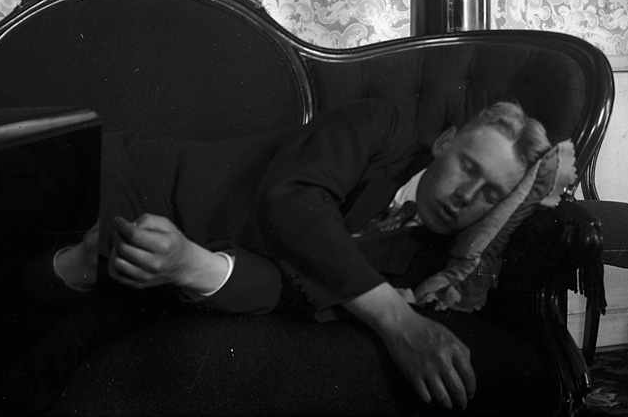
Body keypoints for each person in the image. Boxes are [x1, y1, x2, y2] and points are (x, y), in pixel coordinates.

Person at [29, 98, 552, 412]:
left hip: (170, 279)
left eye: (490, 193)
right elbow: (292, 201)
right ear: (444, 143)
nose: (466, 196)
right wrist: (398, 322)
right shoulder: (381, 126)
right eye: (468, 167)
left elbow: (292, 292)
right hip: (127, 184)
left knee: (53, 346)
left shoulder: (422, 264)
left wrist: (189, 266)